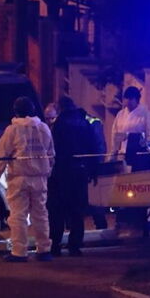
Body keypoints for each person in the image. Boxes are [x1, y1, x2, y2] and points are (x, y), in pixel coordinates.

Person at [0, 97, 55, 262]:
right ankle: (44, 249)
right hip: (40, 178)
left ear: (16, 111)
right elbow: (51, 154)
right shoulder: (44, 128)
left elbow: (1, 157)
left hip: (19, 178)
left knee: (18, 215)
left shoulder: (12, 131)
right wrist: (48, 172)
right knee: (40, 214)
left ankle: (19, 252)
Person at [47, 96, 96, 257]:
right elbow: (93, 147)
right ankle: (75, 245)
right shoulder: (84, 123)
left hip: (62, 172)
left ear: (60, 108)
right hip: (80, 171)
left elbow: (53, 148)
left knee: (57, 210)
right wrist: (93, 170)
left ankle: (55, 245)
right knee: (77, 210)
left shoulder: (59, 124)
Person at [108, 86, 150, 159]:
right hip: (122, 154)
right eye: (126, 99)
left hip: (138, 155)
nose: (128, 101)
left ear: (137, 99)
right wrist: (113, 153)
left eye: (131, 99)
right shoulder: (120, 114)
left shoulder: (147, 115)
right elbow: (115, 135)